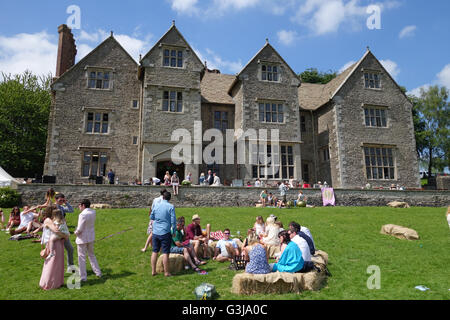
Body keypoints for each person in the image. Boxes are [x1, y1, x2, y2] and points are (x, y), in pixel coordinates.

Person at [39, 207, 69, 290]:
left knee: (57, 263)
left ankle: (57, 282)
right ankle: (49, 283)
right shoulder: (48, 220)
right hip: (54, 244)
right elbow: (56, 231)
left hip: (57, 243)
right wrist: (66, 235)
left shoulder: (53, 220)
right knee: (52, 263)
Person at [75, 199, 102, 282]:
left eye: (79, 205)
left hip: (82, 238)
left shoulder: (82, 214)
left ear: (83, 205)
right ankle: (98, 272)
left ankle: (83, 277)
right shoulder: (93, 212)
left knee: (81, 257)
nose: (79, 207)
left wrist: (75, 232)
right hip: (90, 237)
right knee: (91, 255)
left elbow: (80, 228)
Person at [150, 191, 176, 277]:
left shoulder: (156, 205)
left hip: (155, 231)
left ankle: (153, 271)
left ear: (163, 197)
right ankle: (166, 272)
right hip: (165, 231)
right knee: (165, 253)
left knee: (155, 251)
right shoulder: (171, 206)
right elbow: (173, 221)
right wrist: (174, 231)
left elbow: (151, 217)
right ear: (169, 198)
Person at [141, 189, 167, 253]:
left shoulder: (155, 199)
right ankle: (146, 247)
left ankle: (151, 245)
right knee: (154, 233)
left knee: (151, 232)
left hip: (153, 217)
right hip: (159, 218)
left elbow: (151, 208)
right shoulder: (164, 200)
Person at [55, 193, 75, 269]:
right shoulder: (52, 207)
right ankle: (55, 269)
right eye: (60, 200)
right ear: (56, 200)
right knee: (56, 252)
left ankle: (70, 267)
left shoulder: (62, 207)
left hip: (63, 231)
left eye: (63, 200)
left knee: (70, 249)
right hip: (55, 232)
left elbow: (71, 210)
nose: (61, 201)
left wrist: (66, 202)